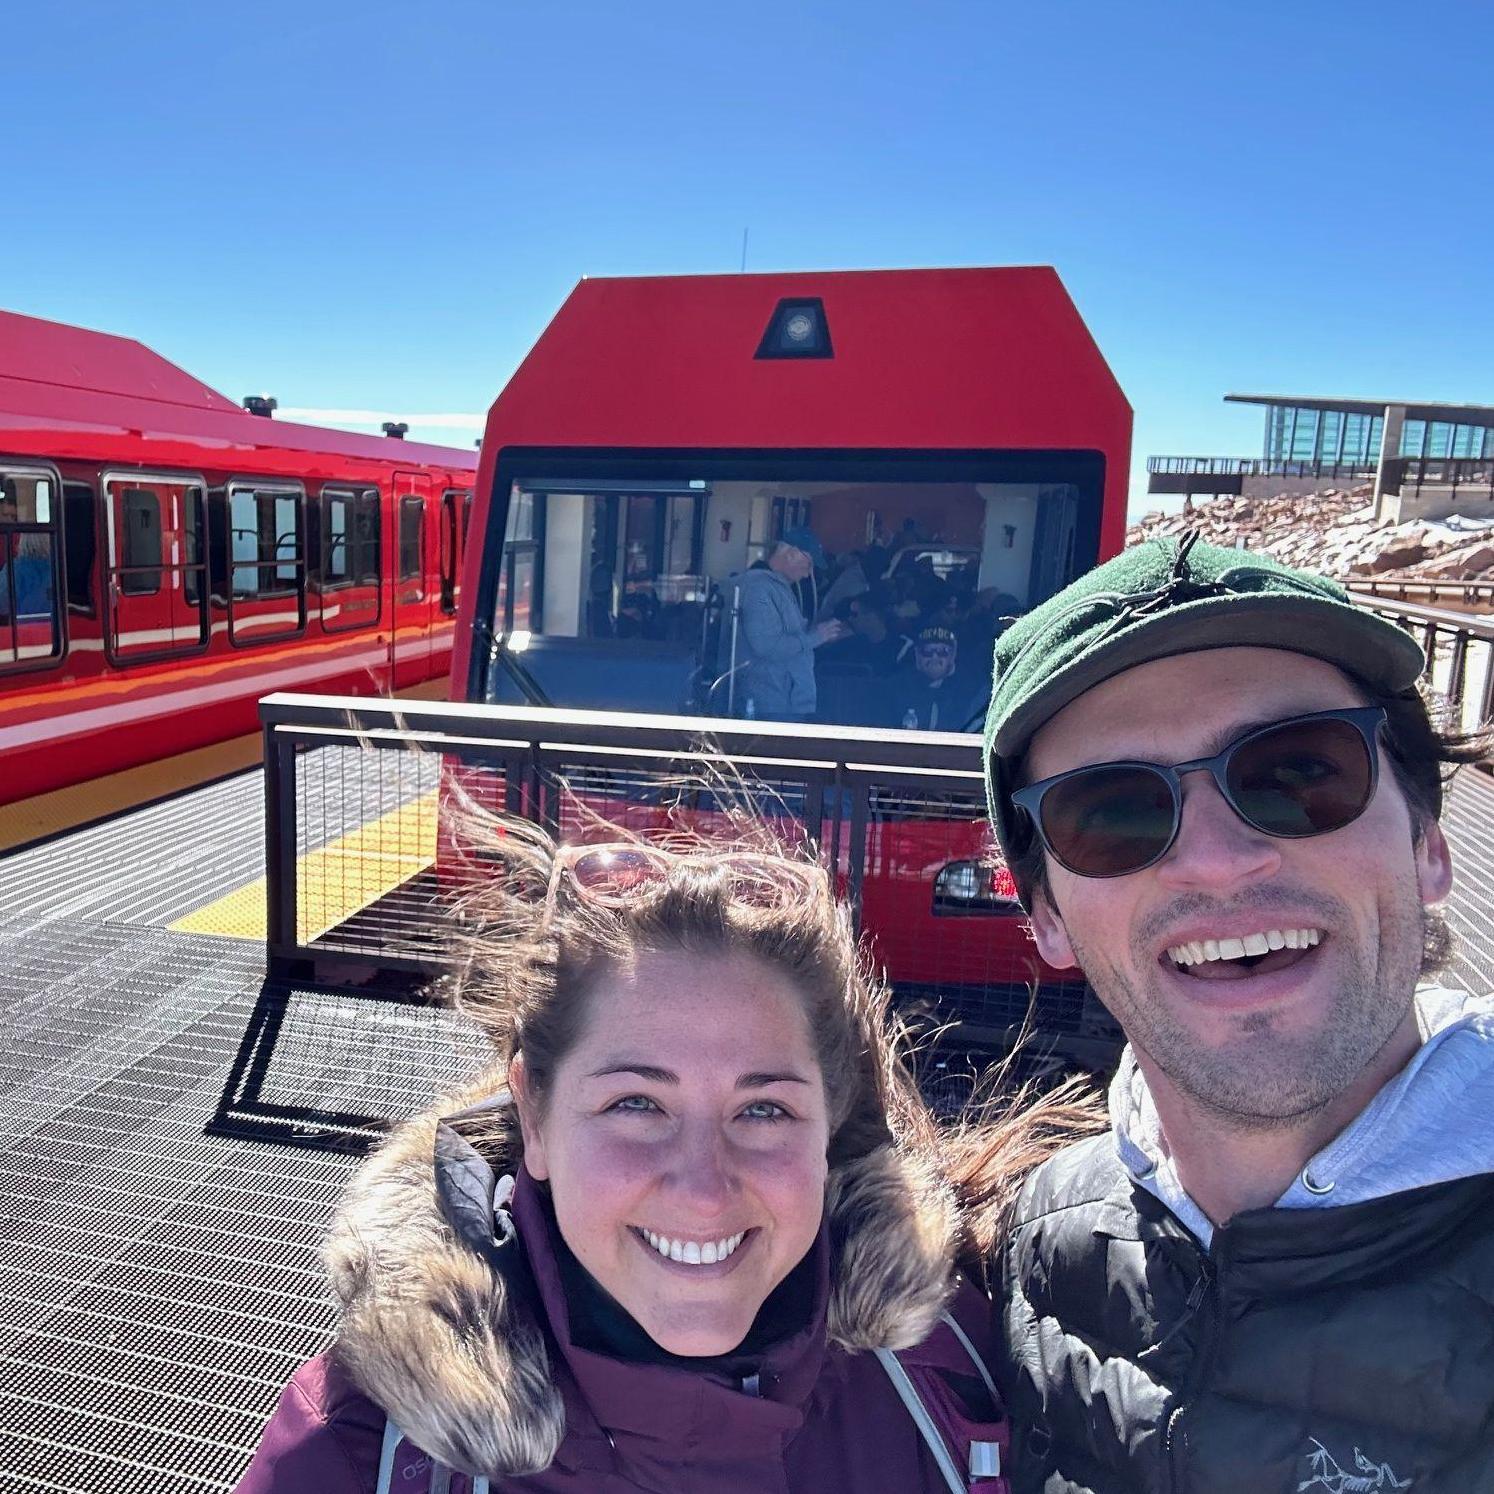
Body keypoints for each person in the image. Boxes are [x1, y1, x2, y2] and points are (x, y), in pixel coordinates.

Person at [232, 810, 1092, 1493]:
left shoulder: (961, 1363)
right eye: (636, 1103)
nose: (704, 1188)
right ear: (534, 1116)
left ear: (830, 1125)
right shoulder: (362, 1453)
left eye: (763, 1110)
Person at [980, 532, 1494, 1492]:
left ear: (1428, 844)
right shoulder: (1034, 1250)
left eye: (1299, 773)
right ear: (1045, 914)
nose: (1216, 860)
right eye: (1113, 812)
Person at [722, 526, 845, 720]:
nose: (808, 574)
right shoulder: (759, 589)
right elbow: (766, 646)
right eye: (809, 564)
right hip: (770, 702)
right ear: (792, 554)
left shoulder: (773, 587)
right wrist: (816, 637)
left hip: (779, 699)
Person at [884, 627, 986, 732]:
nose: (934, 657)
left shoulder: (970, 691)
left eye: (942, 651)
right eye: (927, 651)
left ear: (952, 655)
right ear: (917, 655)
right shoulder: (898, 688)